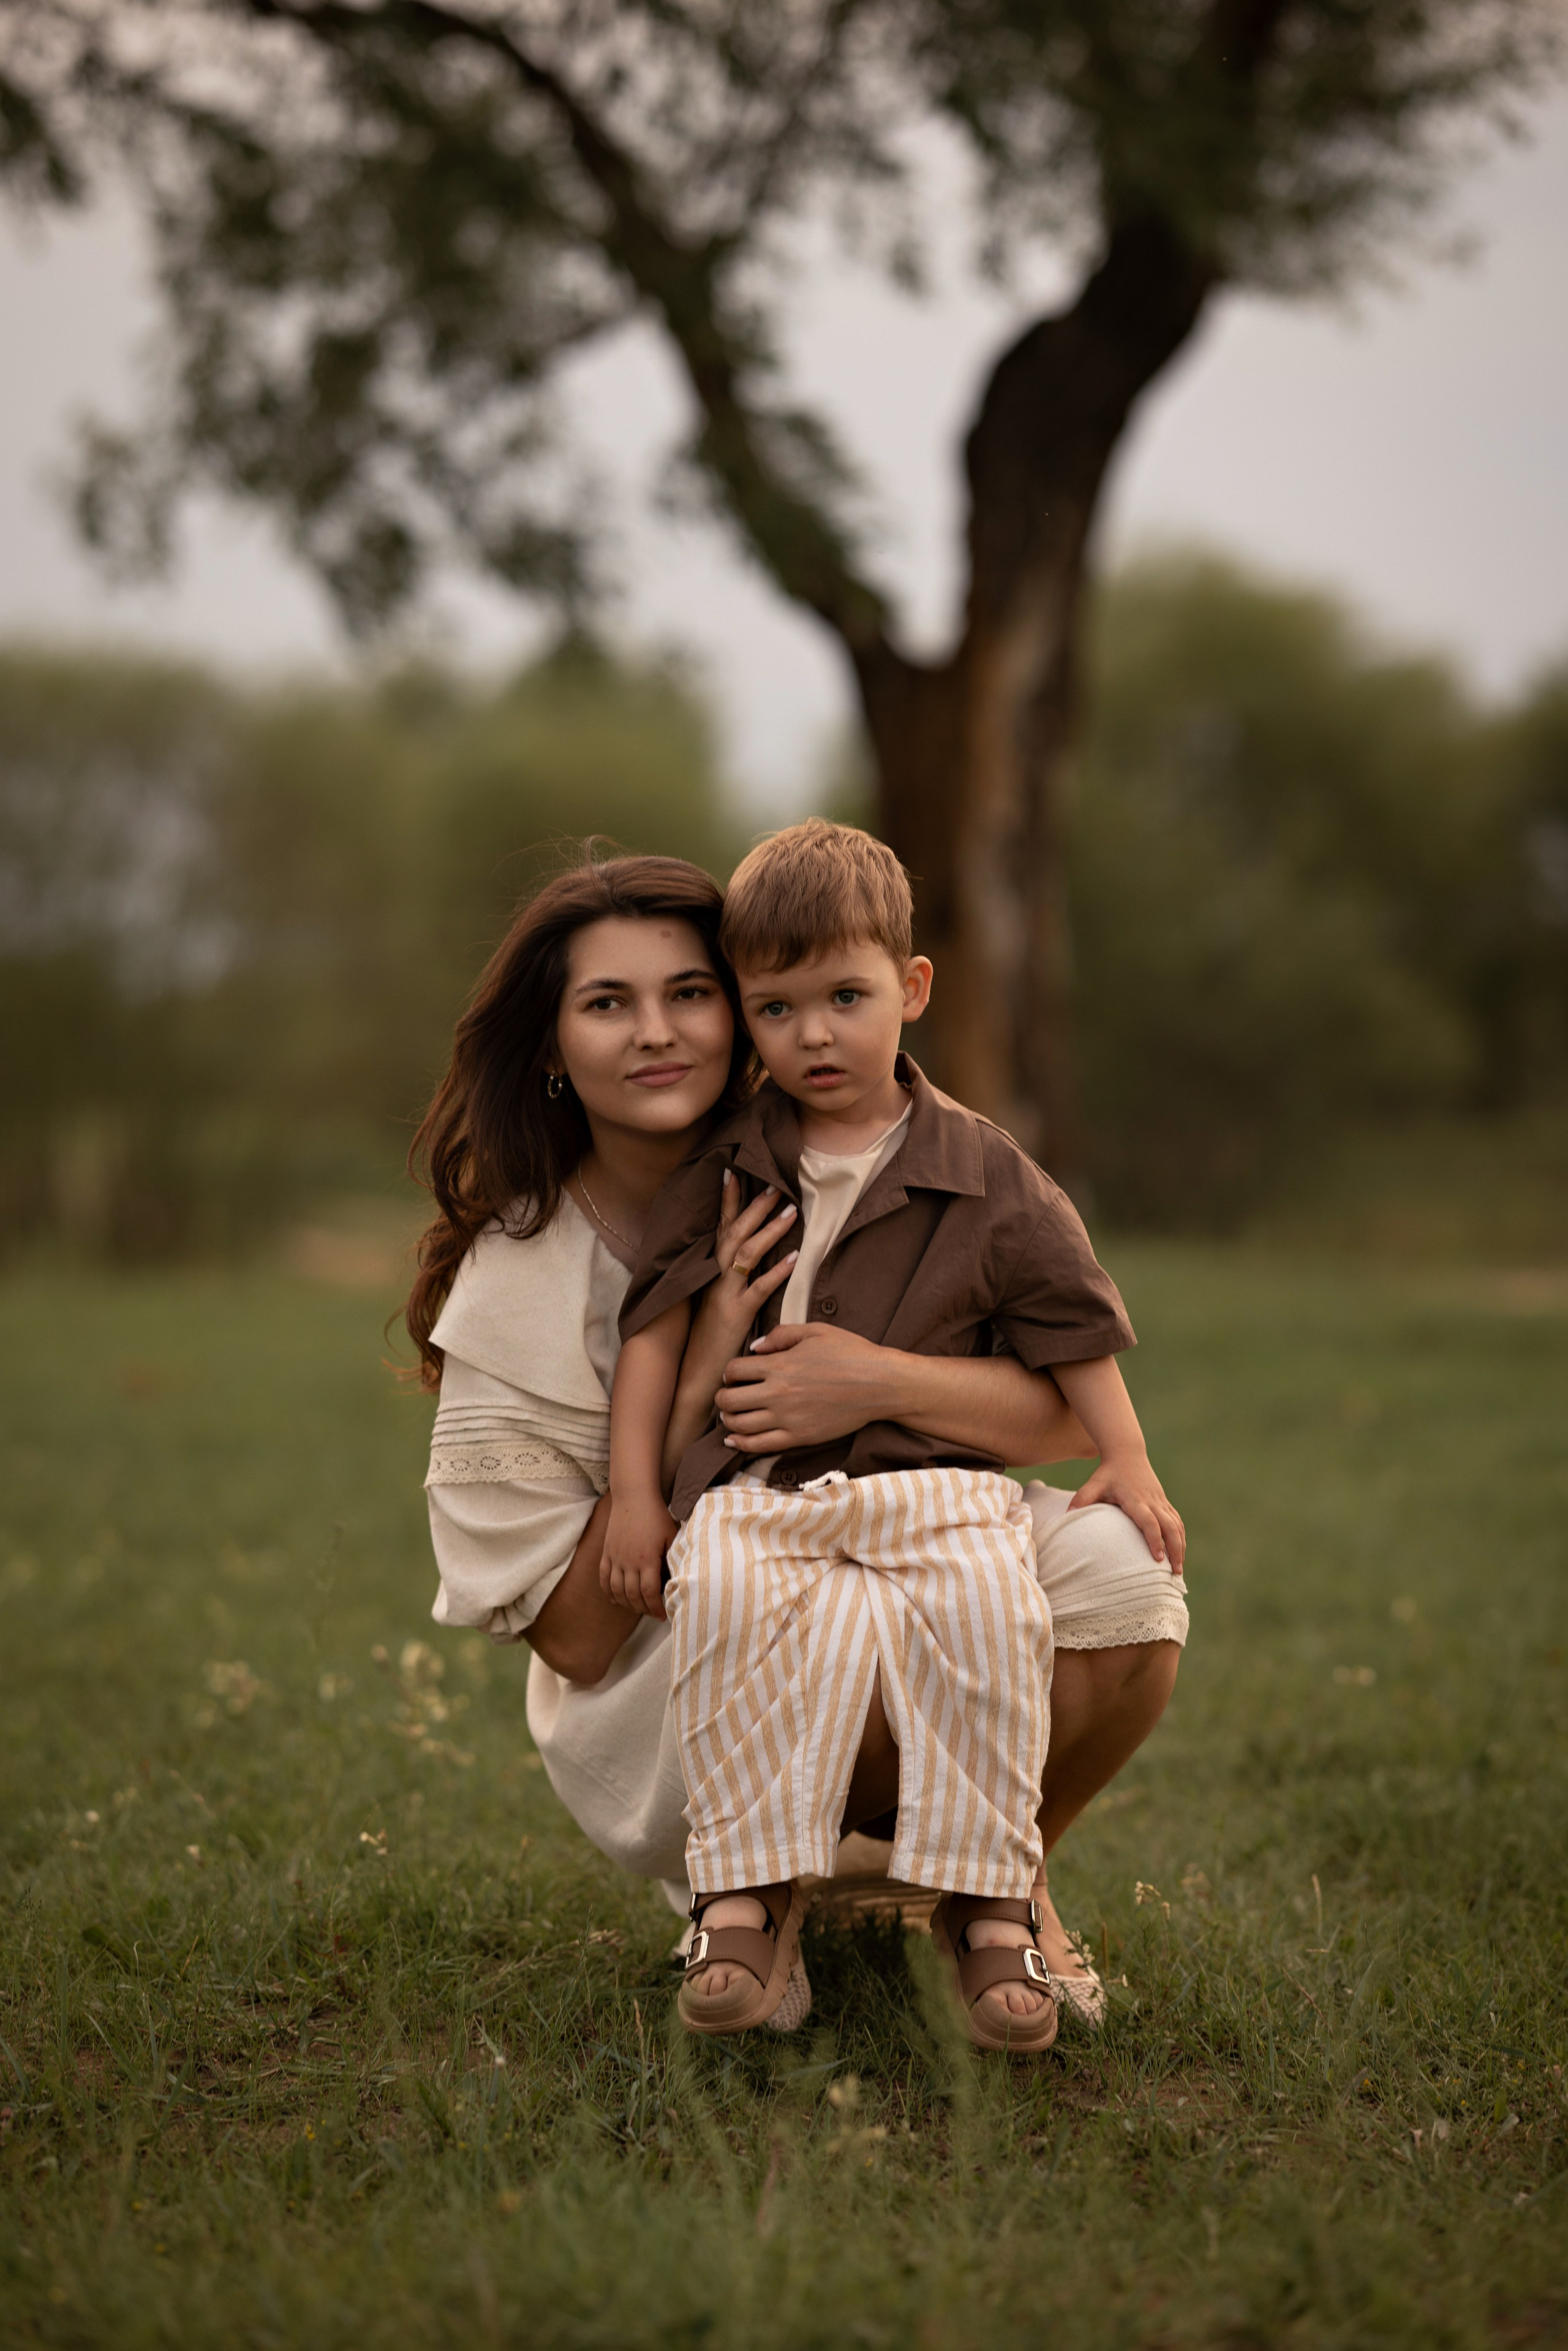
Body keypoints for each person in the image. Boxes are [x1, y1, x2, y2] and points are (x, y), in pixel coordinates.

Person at [407, 851, 1186, 2028]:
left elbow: (1053, 1410)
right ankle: (750, 1897)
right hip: (663, 1650)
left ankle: (995, 1884)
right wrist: (703, 1374)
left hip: (873, 1515)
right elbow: (573, 1636)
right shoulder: (525, 1275)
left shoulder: (846, 1149)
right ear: (552, 1046)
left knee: (1124, 1576)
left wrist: (869, 1381)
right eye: (607, 1003)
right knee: (850, 1602)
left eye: (689, 992)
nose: (656, 1032)